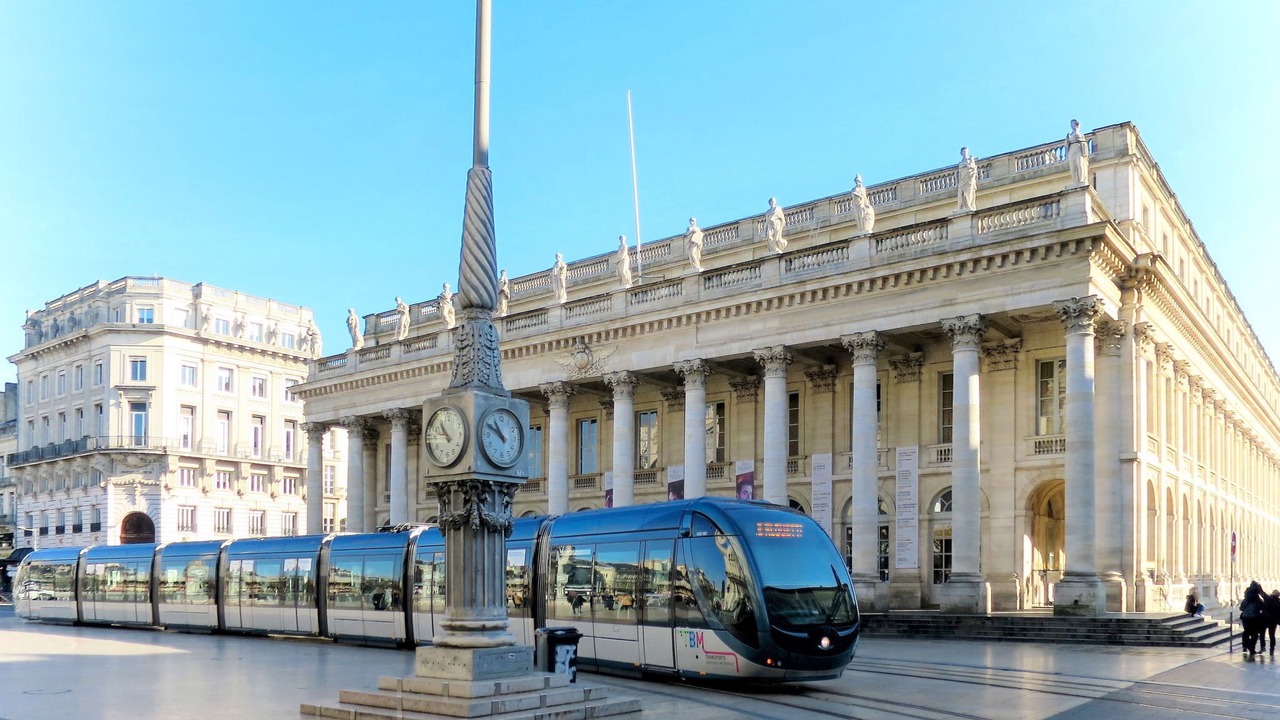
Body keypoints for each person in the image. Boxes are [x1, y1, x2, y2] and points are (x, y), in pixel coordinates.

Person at [1240, 581, 1267, 656]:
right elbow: (1263, 607)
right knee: (1254, 634)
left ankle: (1245, 646)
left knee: (1246, 632)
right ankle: (1251, 648)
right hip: (1255, 617)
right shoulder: (1258, 599)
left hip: (1245, 617)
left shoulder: (1246, 599)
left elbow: (1241, 608)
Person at [1066, 118, 1089, 186]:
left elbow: (1084, 142)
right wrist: (1067, 139)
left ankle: (1081, 180)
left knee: (1080, 164)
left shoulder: (1081, 134)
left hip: (1079, 148)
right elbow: (1066, 144)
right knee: (1073, 166)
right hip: (1072, 149)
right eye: (1071, 124)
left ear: (1076, 124)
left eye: (1072, 124)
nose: (1071, 125)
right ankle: (1076, 181)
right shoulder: (1070, 134)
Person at [957, 147, 978, 212]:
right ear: (961, 153)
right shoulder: (960, 163)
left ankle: (968, 206)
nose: (965, 153)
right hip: (962, 180)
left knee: (968, 193)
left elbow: (974, 169)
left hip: (969, 179)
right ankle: (961, 207)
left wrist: (968, 165)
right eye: (963, 152)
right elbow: (959, 173)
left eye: (966, 151)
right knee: (961, 194)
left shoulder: (970, 160)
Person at [1264, 590, 1280, 656]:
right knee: (1272, 635)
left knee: (1262, 633)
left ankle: (1263, 646)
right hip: (1273, 620)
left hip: (1266, 619)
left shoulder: (1268, 599)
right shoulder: (1278, 602)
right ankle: (1272, 650)